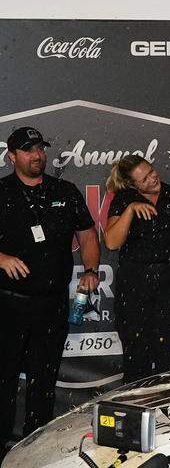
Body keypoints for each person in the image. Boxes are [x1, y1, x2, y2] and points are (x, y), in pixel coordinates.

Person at [0, 127, 100, 455]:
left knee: (43, 382)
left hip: (52, 304)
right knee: (4, 380)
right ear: (12, 156)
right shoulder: (2, 191)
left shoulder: (65, 191)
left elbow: (87, 235)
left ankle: (35, 448)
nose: (36, 155)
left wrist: (90, 270)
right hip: (9, 305)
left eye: (39, 149)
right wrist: (1, 258)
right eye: (27, 150)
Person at [103, 155, 170, 382]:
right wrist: (130, 211)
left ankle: (169, 409)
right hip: (135, 285)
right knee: (136, 356)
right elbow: (111, 242)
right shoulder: (123, 199)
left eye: (151, 171)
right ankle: (137, 414)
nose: (152, 179)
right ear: (132, 185)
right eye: (144, 179)